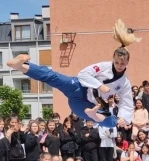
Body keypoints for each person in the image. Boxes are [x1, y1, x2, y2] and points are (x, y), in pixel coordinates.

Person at [6, 19, 138, 128]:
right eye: (117, 63)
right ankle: (20, 66)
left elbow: (127, 103)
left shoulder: (124, 83)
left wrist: (123, 119)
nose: (119, 66)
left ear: (127, 62)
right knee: (52, 77)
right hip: (77, 87)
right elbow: (83, 74)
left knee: (111, 123)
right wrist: (99, 85)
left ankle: (93, 115)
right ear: (113, 60)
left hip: (87, 104)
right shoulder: (103, 66)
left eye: (122, 64)